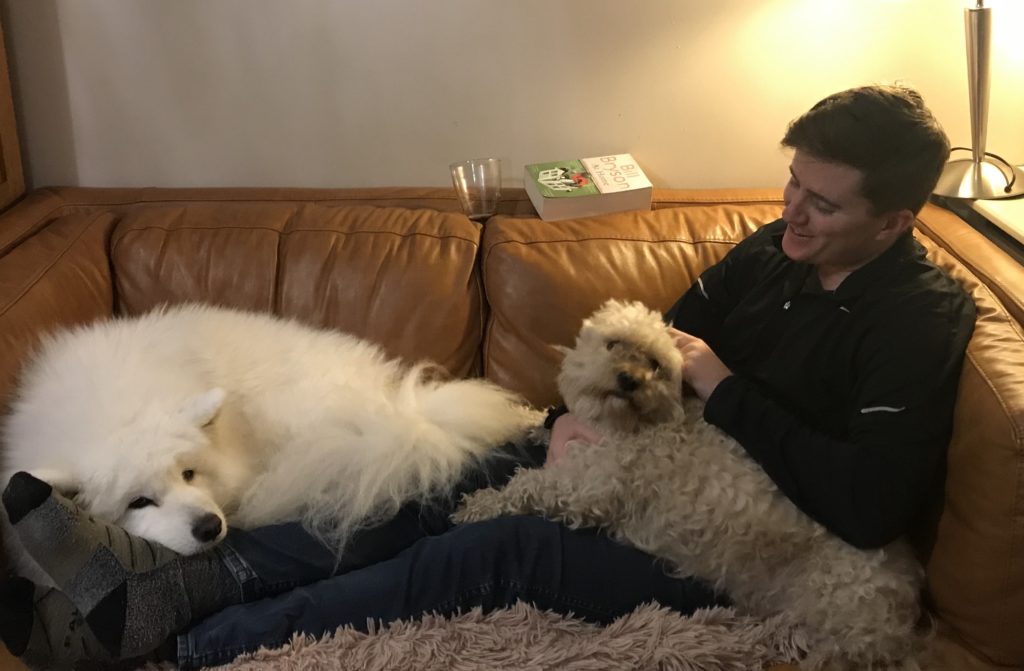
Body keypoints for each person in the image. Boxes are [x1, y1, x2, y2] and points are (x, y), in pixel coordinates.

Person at [0, 84, 976, 670]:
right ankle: (167, 589)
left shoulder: (917, 319)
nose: (789, 215)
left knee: (492, 546)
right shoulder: (775, 250)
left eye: (822, 205)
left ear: (895, 219)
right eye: (790, 184)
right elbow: (660, 340)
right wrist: (572, 418)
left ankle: (202, 642)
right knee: (424, 474)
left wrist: (716, 382)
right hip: (648, 462)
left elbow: (863, 501)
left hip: (752, 549)